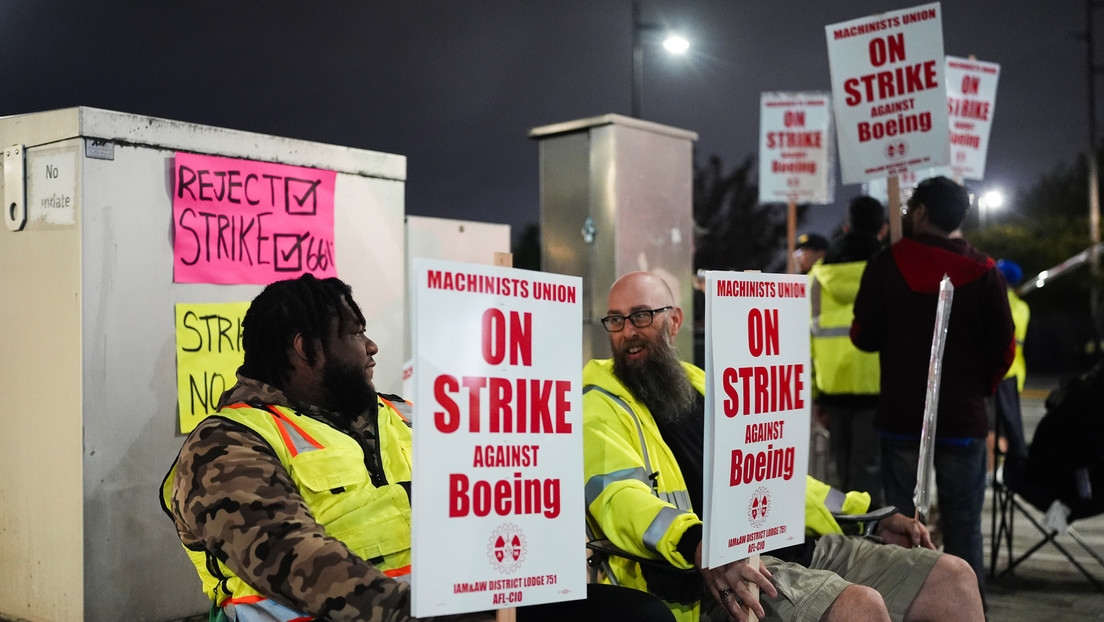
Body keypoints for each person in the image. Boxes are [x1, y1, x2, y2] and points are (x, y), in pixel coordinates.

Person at [161, 274, 673, 622]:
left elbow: (488, 495)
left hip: (456, 607)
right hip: (378, 615)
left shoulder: (403, 414)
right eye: (356, 333)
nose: (372, 346)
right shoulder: (226, 444)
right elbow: (293, 561)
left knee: (637, 614)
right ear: (304, 349)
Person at [583, 271, 984, 622]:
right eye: (615, 321)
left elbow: (773, 473)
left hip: (793, 545)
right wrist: (697, 541)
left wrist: (871, 516)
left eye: (641, 316)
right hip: (717, 573)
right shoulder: (598, 405)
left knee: (953, 577)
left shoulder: (702, 384)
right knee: (859, 608)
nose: (627, 332)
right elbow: (620, 498)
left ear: (674, 321)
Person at [851, 176, 1015, 601]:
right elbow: (1004, 348)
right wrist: (977, 390)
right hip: (963, 418)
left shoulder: (887, 265)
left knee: (902, 527)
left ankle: (904, 608)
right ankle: (966, 609)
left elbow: (863, 335)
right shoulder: (985, 271)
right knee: (963, 526)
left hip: (902, 417)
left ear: (921, 212)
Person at [809, 196, 887, 502]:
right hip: (878, 385)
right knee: (870, 470)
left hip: (832, 386)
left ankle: (850, 539)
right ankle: (869, 541)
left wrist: (816, 392)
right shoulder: (888, 266)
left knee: (840, 470)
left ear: (846, 226)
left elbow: (809, 336)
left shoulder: (818, 275)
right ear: (882, 229)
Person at [989, 259, 1030, 476]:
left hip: (999, 373)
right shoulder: (1022, 306)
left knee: (990, 427)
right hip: (1014, 373)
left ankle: (991, 470)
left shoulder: (998, 303)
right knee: (1007, 426)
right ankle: (1003, 468)